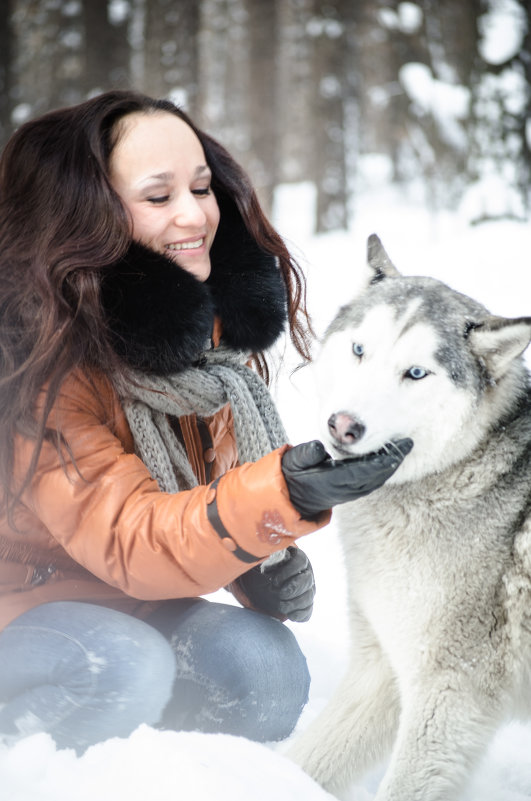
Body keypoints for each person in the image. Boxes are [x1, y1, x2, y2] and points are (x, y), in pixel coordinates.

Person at [0, 90, 411, 753]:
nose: (195, 215)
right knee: (123, 665)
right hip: (18, 619)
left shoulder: (200, 351)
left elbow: (189, 498)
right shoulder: (30, 359)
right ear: (85, 215)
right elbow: (129, 537)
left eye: (201, 187)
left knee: (265, 670)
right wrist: (280, 492)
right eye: (158, 197)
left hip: (134, 607)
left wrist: (253, 558)